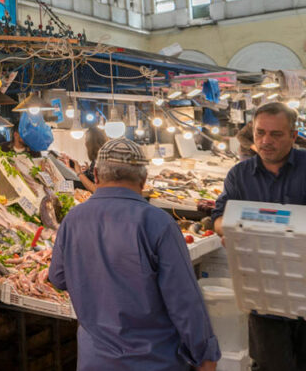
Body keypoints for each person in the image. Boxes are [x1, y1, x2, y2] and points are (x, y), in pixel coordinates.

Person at [49, 138, 220, 371]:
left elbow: (58, 278)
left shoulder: (72, 220)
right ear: (143, 180)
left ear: (96, 175)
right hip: (153, 362)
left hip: (95, 361)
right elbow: (184, 301)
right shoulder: (158, 223)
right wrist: (205, 354)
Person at [212, 102, 306, 371]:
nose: (266, 141)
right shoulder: (239, 175)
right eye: (260, 132)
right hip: (264, 292)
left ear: (293, 134)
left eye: (276, 135)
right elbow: (218, 218)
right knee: (270, 364)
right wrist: (229, 228)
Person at [62, 127, 108, 192]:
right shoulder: (96, 160)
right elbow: (87, 179)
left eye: (86, 140)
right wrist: (73, 168)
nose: (85, 143)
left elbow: (96, 189)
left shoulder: (101, 161)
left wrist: (79, 172)